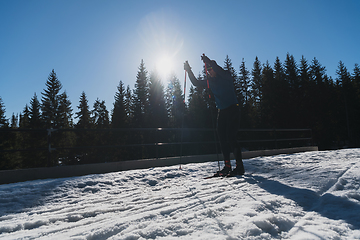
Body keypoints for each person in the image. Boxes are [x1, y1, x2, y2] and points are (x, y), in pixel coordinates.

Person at [184, 54, 245, 176]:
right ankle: (227, 166)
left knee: (231, 137)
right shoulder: (209, 82)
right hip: (222, 111)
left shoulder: (225, 76)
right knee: (222, 138)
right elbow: (196, 83)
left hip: (233, 108)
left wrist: (210, 62)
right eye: (208, 70)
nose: (209, 72)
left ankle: (240, 167)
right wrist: (189, 70)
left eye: (211, 69)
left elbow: (220, 71)